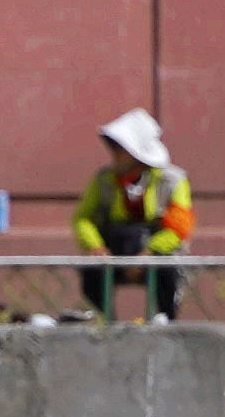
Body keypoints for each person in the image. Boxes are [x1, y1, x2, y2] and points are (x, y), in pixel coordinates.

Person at [76, 109, 193, 320]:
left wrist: (148, 255)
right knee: (91, 276)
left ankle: (164, 323)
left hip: (157, 253)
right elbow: (83, 218)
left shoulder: (173, 181)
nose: (113, 153)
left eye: (118, 147)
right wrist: (96, 247)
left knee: (168, 277)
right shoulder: (103, 180)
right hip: (114, 249)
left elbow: (178, 228)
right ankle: (107, 324)